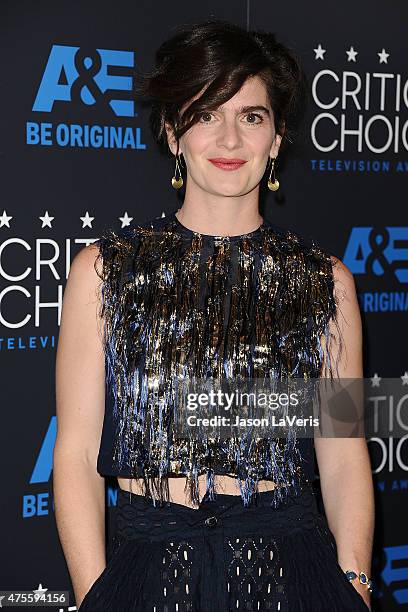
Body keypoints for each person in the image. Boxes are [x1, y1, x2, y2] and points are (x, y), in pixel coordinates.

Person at [53, 19, 374, 611]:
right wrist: (95, 594)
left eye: (251, 116)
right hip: (145, 572)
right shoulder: (105, 271)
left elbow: (343, 452)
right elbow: (74, 453)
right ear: (173, 134)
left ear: (276, 138)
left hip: (290, 570)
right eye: (205, 115)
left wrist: (355, 585)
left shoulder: (325, 282)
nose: (229, 139)